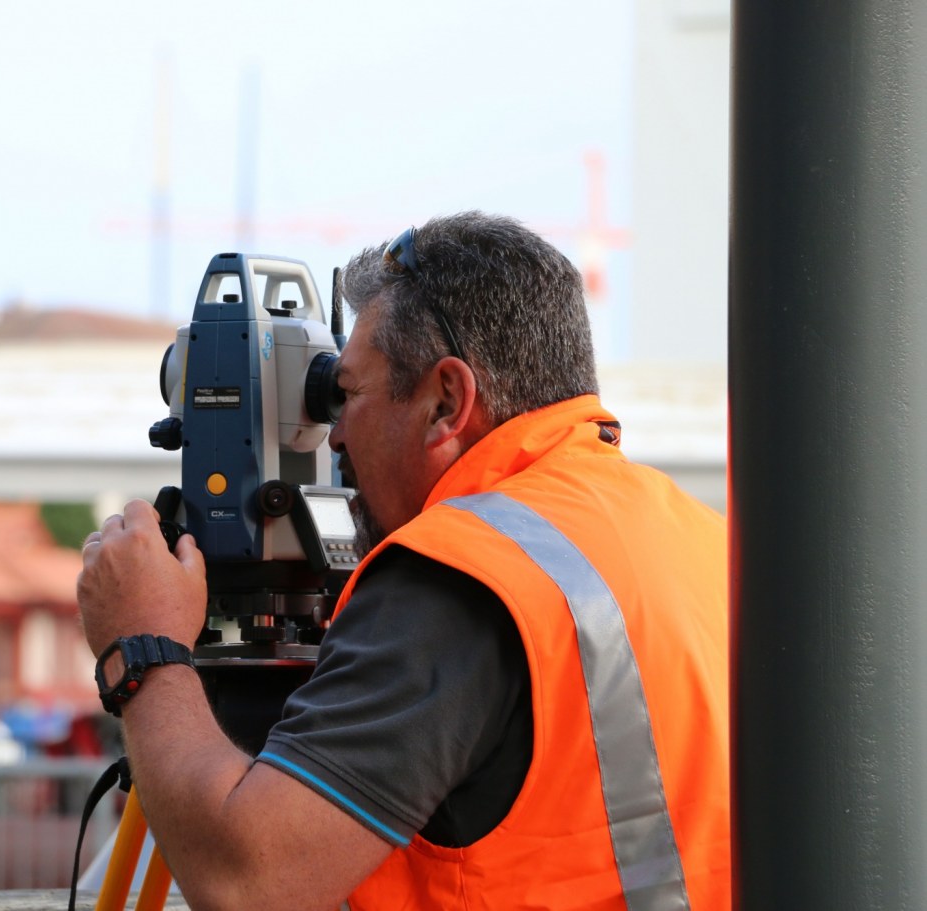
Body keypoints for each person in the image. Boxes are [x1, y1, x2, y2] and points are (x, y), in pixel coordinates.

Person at [77, 211, 729, 910]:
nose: (334, 435)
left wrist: (144, 645)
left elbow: (249, 880)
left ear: (446, 402)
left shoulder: (458, 576)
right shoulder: (697, 535)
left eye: (347, 393)